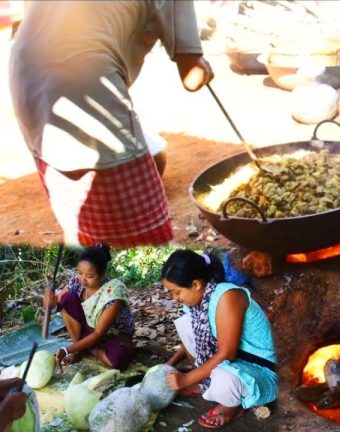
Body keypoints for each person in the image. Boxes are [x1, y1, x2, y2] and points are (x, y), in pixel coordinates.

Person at [9, 1, 214, 248]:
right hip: (83, 82)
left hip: (25, 73)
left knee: (79, 211)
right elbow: (192, 77)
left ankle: (88, 265)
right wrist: (203, 68)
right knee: (143, 240)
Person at [162, 250, 278, 429]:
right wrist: (170, 364)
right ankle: (204, 382)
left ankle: (232, 404)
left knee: (224, 382)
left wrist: (186, 379)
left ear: (196, 284)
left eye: (177, 292)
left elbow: (227, 354)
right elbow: (192, 339)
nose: (175, 298)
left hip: (262, 369)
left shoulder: (227, 296)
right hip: (235, 360)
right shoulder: (198, 303)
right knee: (185, 323)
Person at [44, 244, 135, 371]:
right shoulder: (76, 282)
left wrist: (67, 350)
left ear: (103, 274)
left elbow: (98, 333)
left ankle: (88, 348)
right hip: (88, 331)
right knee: (67, 298)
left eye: (89, 276)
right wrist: (51, 305)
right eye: (80, 273)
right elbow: (60, 305)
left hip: (112, 336)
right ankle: (82, 347)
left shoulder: (113, 291)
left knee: (118, 359)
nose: (83, 279)